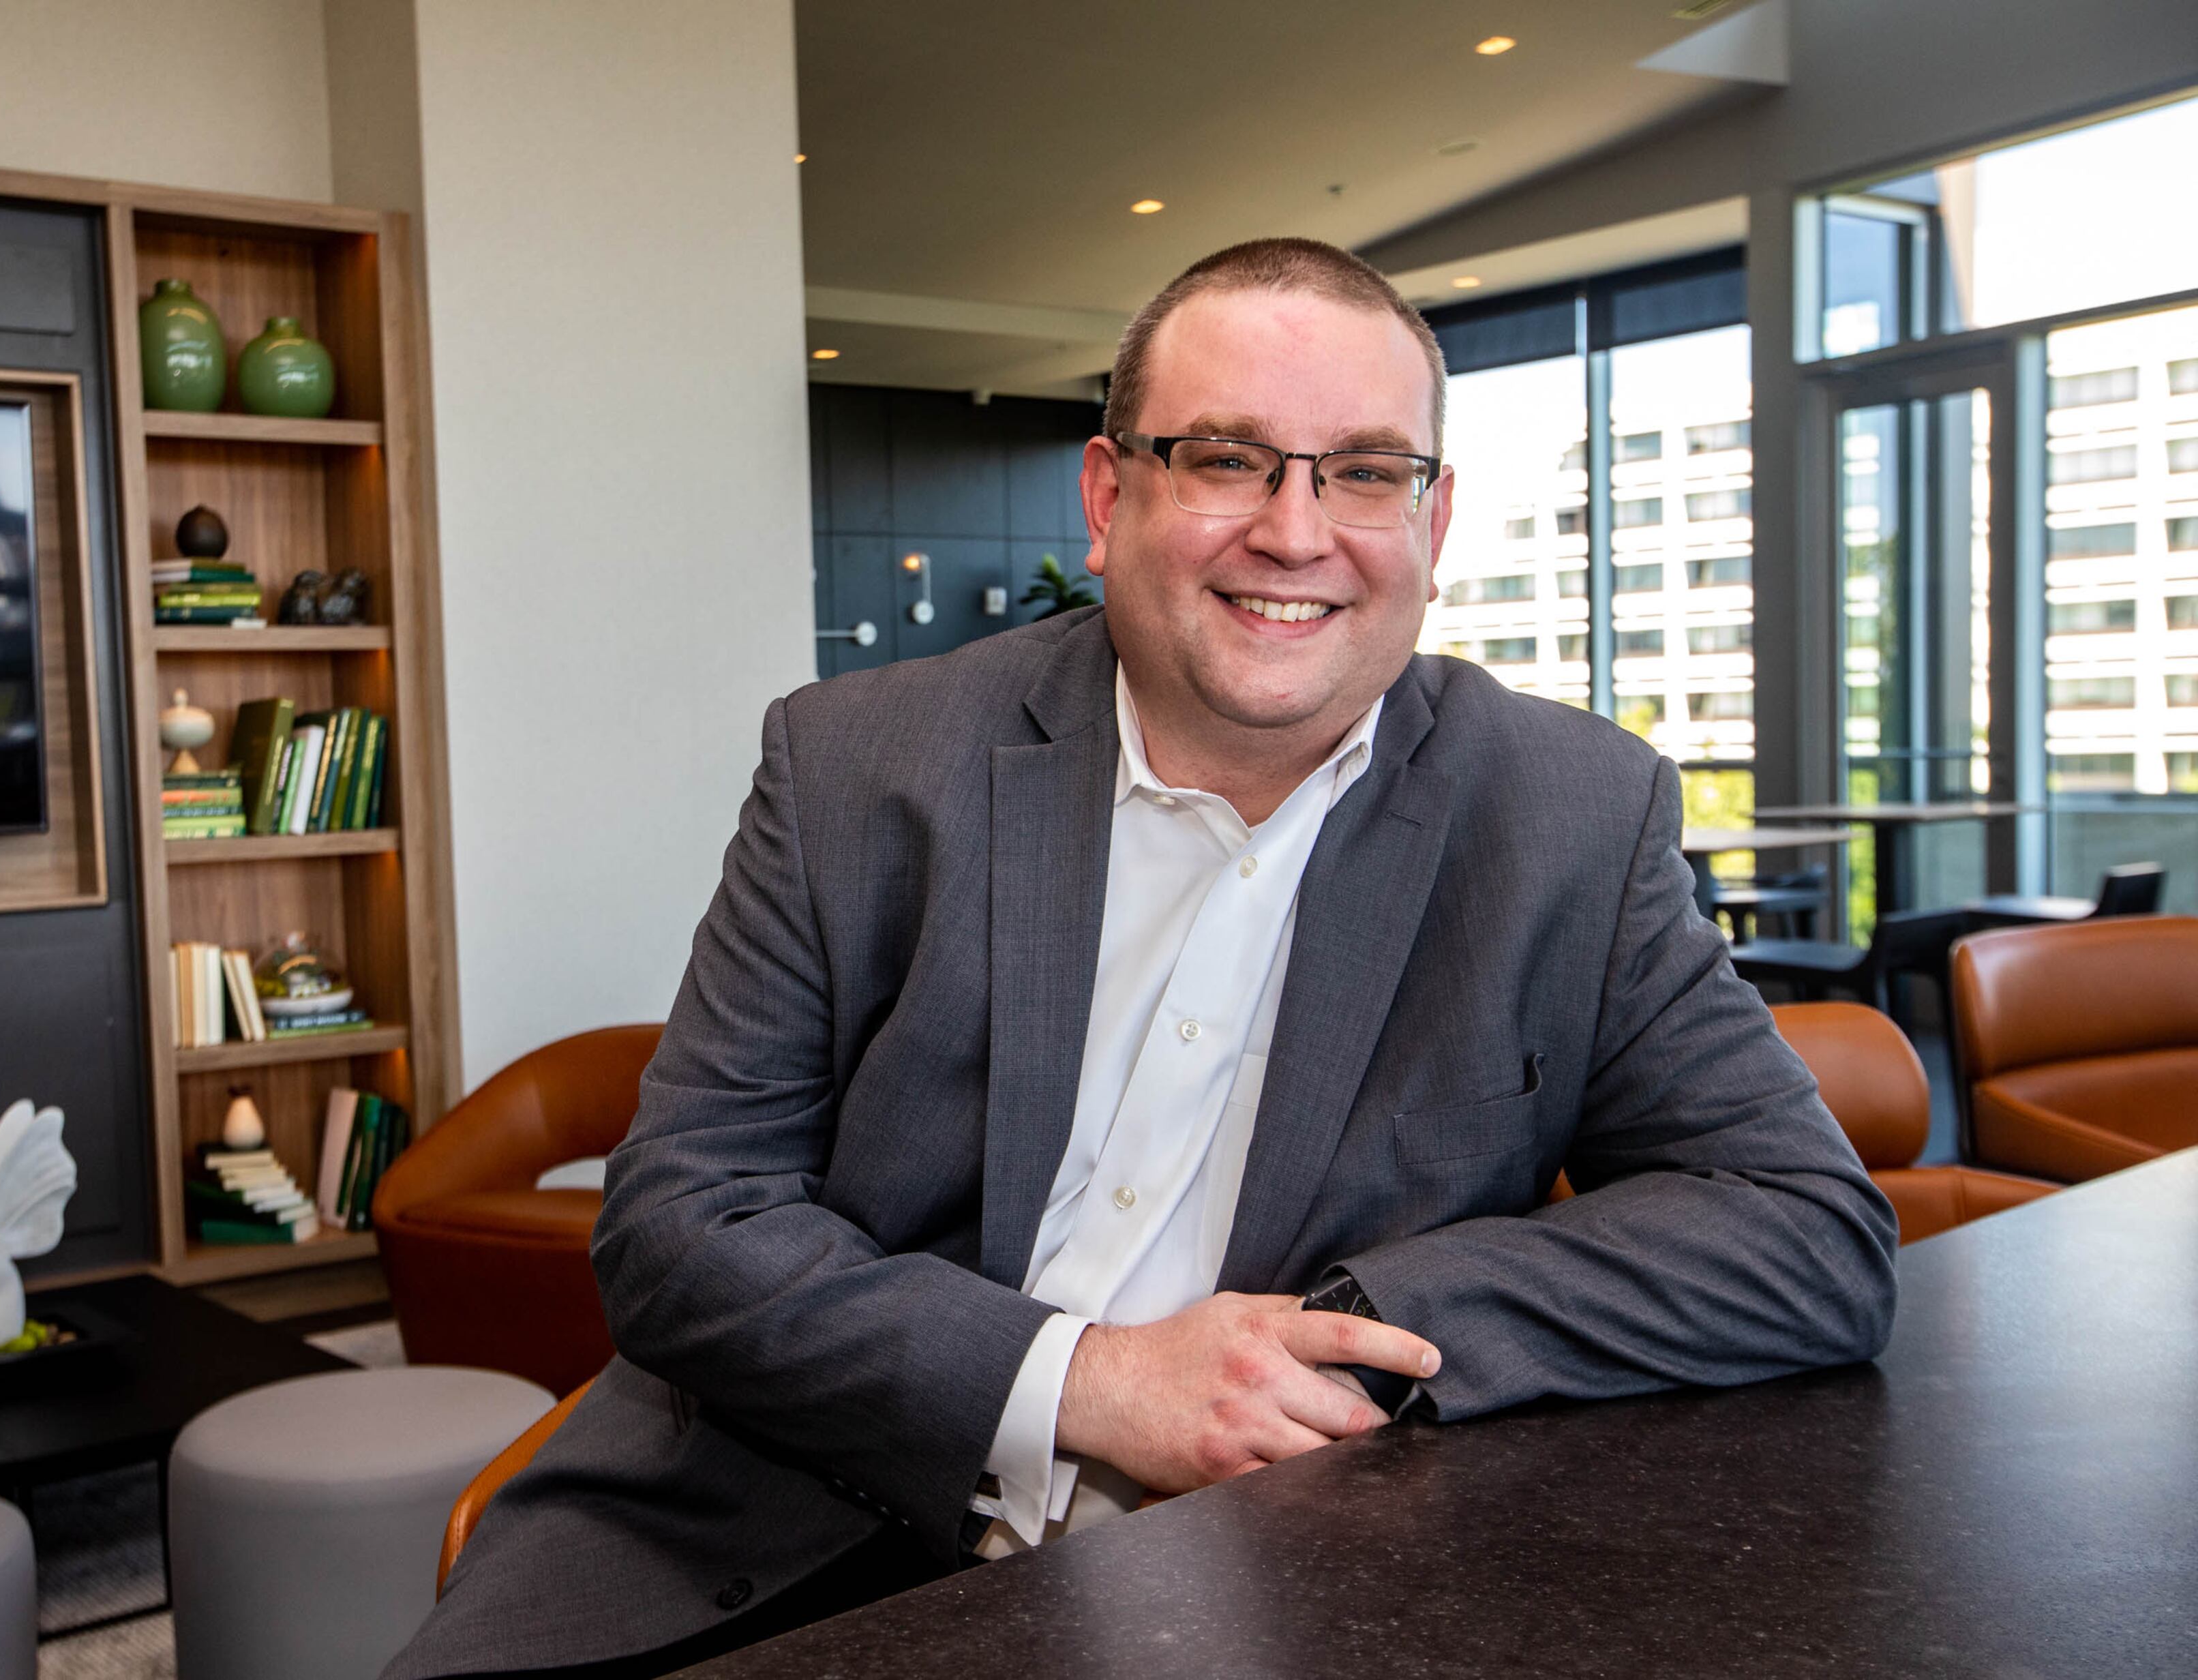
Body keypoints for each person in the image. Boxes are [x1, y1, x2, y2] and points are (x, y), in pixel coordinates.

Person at [386, 238, 1897, 1680]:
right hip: (781, 1540)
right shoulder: (860, 764)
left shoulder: (1568, 812)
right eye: (1228, 457)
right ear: (1110, 494)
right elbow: (679, 1226)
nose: (1296, 531)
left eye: (1366, 470)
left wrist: (1358, 1329)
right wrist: (1092, 1379)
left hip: (1272, 1580)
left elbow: (1808, 1236)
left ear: (1430, 527)